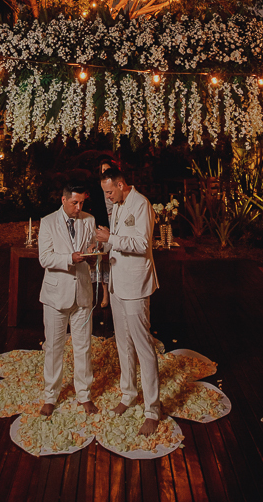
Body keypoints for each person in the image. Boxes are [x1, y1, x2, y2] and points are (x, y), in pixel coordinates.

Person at [96, 165, 160, 436]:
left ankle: (153, 410)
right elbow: (119, 241)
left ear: (121, 185)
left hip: (135, 285)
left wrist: (111, 237)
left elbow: (142, 245)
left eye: (110, 192)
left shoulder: (141, 204)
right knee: (122, 344)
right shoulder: (119, 205)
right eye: (105, 193)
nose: (108, 197)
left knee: (143, 347)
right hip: (117, 285)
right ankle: (128, 394)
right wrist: (101, 244)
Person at [38, 183, 98, 417]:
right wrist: (69, 258)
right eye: (75, 203)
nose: (79, 207)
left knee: (83, 347)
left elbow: (92, 248)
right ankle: (50, 396)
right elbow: (45, 258)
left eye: (82, 202)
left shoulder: (89, 220)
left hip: (82, 292)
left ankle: (84, 394)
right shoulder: (48, 222)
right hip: (56, 295)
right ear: (63, 200)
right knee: (54, 347)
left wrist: (93, 256)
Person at [85, 159, 114, 307]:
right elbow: (95, 209)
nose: (105, 172)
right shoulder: (96, 189)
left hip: (115, 225)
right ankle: (103, 293)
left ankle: (113, 292)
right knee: (101, 258)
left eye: (107, 169)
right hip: (102, 224)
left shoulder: (116, 188)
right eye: (103, 170)